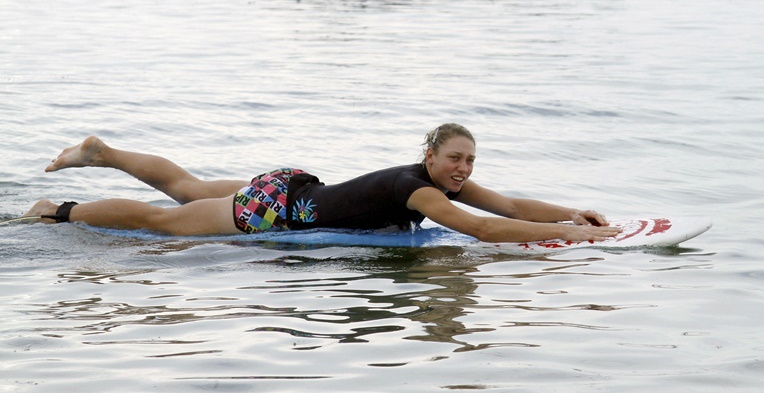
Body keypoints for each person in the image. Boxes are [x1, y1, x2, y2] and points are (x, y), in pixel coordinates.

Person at [27, 124, 620, 243]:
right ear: (430, 156)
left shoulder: (441, 182)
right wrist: (582, 239)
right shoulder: (420, 191)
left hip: (292, 185)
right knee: (164, 220)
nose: (465, 169)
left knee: (186, 186)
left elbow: (510, 205)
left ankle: (102, 151)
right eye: (456, 159)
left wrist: (572, 213)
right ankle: (57, 210)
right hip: (275, 212)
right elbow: (486, 229)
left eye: (471, 161)